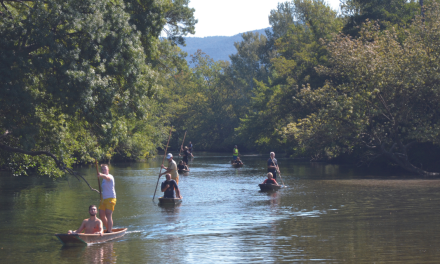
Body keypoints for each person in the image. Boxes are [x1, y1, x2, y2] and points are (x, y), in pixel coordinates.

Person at [97, 164, 116, 233]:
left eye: (105, 169)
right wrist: (102, 198)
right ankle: (108, 228)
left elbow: (107, 177)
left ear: (108, 170)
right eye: (102, 169)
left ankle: (109, 231)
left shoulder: (110, 176)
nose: (103, 171)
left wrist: (101, 175)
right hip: (104, 199)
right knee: (101, 215)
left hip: (111, 198)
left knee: (108, 214)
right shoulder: (103, 180)